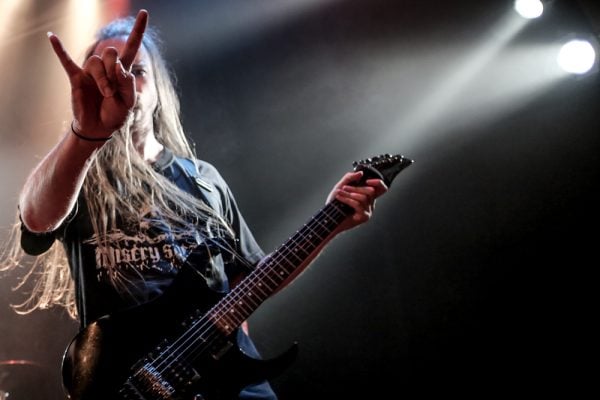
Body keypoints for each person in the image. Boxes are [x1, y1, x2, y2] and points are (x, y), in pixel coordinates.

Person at [3, 9, 387, 400]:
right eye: (108, 74)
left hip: (224, 379)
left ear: (159, 89)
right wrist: (85, 133)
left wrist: (332, 221)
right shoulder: (76, 174)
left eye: (137, 71)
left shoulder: (204, 179)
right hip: (130, 383)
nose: (123, 83)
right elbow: (35, 220)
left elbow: (248, 280)